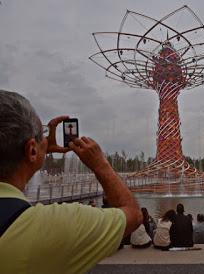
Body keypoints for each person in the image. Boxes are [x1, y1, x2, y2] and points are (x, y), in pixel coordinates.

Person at [0, 90, 142, 274]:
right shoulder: (57, 226)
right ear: (31, 150)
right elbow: (133, 214)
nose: (46, 137)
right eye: (43, 133)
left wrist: (38, 150)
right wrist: (101, 165)